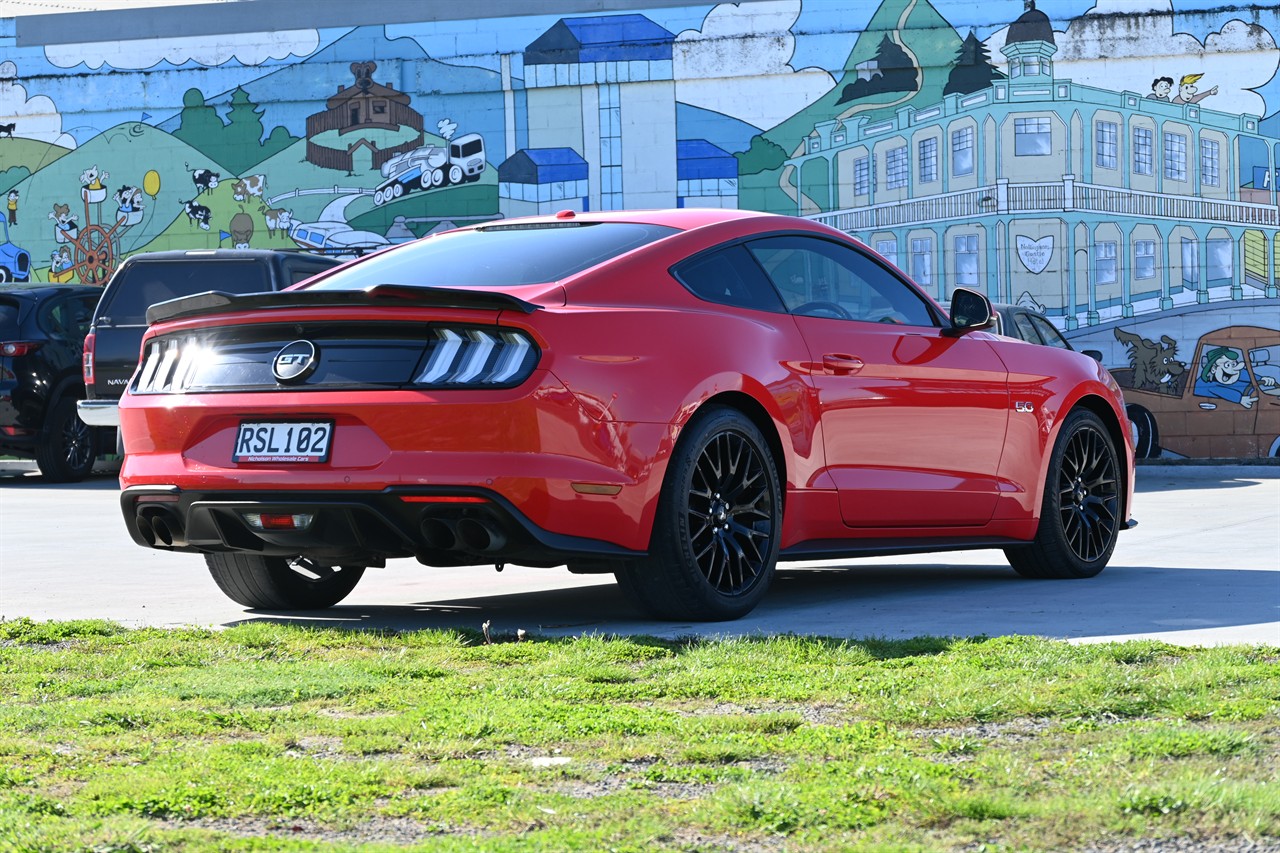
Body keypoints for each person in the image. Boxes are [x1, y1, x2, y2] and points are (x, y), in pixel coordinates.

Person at [1194, 346, 1275, 409]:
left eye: (1233, 364)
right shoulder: (1205, 383)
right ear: (1214, 369)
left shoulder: (1235, 375)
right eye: (1227, 365)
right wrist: (1240, 399)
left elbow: (1245, 374)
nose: (1234, 368)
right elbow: (1221, 391)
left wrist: (1262, 379)